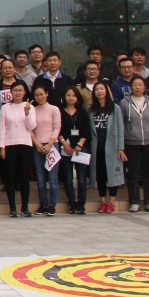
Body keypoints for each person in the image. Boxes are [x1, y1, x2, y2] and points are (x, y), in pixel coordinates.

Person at [118, 77, 149, 213]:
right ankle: (134, 202)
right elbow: (121, 124)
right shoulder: (124, 102)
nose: (137, 87)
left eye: (140, 85)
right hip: (131, 142)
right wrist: (121, 144)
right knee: (133, 173)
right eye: (135, 85)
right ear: (131, 87)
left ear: (145, 87)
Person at [0, 81, 36, 218]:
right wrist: (1, 147)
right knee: (10, 177)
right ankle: (12, 208)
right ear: (11, 92)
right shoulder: (5, 108)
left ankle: (24, 207)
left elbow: (32, 127)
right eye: (15, 90)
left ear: (24, 92)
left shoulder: (29, 106)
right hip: (9, 145)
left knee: (24, 177)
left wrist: (27, 113)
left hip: (25, 144)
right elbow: (2, 128)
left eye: (20, 90)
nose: (18, 93)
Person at [88, 82, 124, 213]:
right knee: (100, 175)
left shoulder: (115, 108)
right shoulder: (90, 109)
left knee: (113, 175)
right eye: (97, 89)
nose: (99, 91)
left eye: (102, 89)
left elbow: (120, 128)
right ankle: (103, 202)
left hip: (112, 146)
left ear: (107, 91)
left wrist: (121, 147)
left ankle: (112, 202)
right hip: (96, 147)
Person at [57, 85, 92, 216]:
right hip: (66, 147)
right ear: (64, 97)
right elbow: (58, 130)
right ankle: (72, 204)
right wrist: (64, 144)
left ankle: (81, 204)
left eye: (74, 95)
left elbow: (86, 130)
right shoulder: (60, 111)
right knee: (68, 178)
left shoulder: (82, 112)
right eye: (68, 95)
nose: (71, 98)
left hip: (81, 147)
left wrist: (79, 145)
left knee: (82, 177)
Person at [29, 84, 62, 216]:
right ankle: (43, 204)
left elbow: (57, 127)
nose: (40, 97)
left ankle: (52, 205)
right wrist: (37, 143)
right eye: (37, 95)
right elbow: (30, 128)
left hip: (52, 145)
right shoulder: (33, 110)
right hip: (38, 146)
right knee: (40, 177)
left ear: (47, 94)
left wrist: (50, 144)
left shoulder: (54, 109)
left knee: (53, 178)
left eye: (42, 94)